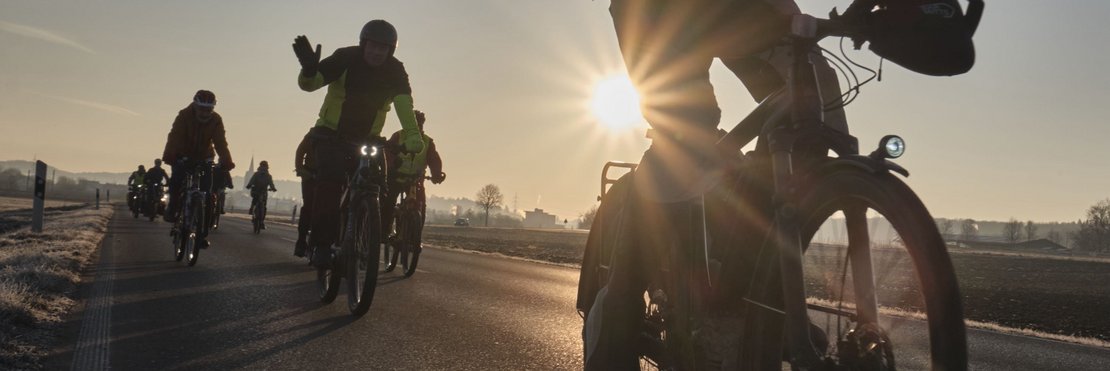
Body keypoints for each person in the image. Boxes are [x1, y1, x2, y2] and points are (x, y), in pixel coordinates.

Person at [291, 19, 425, 267]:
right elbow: (311, 85)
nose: (377, 52)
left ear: (391, 51)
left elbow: (405, 105)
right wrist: (309, 71)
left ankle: (367, 233)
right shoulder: (345, 57)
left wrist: (413, 136)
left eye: (383, 48)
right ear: (363, 44)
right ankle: (321, 244)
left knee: (377, 184)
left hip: (368, 139)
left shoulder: (395, 70)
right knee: (330, 182)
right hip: (330, 135)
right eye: (373, 46)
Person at [161, 90, 235, 249]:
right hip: (182, 154)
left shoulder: (216, 120)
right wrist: (170, 154)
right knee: (176, 182)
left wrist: (226, 160)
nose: (205, 113)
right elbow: (174, 136)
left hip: (204, 156)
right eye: (202, 108)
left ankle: (202, 233)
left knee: (207, 194)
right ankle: (173, 208)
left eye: (209, 109)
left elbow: (221, 142)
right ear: (195, 105)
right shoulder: (184, 116)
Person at [382, 109, 445, 243]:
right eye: (416, 124)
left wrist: (436, 174)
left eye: (420, 124)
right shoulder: (398, 136)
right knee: (388, 202)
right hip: (396, 177)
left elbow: (434, 159)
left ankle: (414, 239)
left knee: (420, 207)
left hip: (415, 181)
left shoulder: (427, 142)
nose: (419, 127)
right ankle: (383, 230)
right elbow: (388, 153)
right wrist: (391, 167)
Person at [293, 129, 316, 256]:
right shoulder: (314, 134)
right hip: (310, 175)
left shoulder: (345, 133)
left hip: (330, 176)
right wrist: (300, 169)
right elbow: (300, 151)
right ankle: (301, 241)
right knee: (308, 207)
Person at [245, 160, 277, 229]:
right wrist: (273, 189)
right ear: (267, 167)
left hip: (255, 191)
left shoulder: (256, 174)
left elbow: (251, 181)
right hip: (264, 192)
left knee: (255, 200)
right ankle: (261, 221)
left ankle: (251, 209)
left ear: (260, 166)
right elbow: (271, 184)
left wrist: (249, 186)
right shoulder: (268, 176)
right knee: (264, 206)